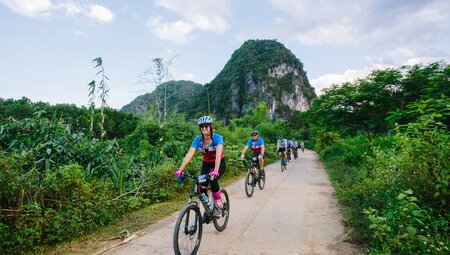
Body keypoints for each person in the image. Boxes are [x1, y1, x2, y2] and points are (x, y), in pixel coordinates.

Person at [175, 116, 226, 218]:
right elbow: (189, 154)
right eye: (202, 127)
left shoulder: (218, 138)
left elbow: (218, 154)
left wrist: (216, 170)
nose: (204, 128)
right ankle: (207, 210)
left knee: (213, 179)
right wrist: (181, 168)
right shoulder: (198, 140)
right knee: (201, 187)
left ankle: (217, 205)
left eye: (206, 126)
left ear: (211, 127)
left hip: (219, 163)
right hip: (206, 164)